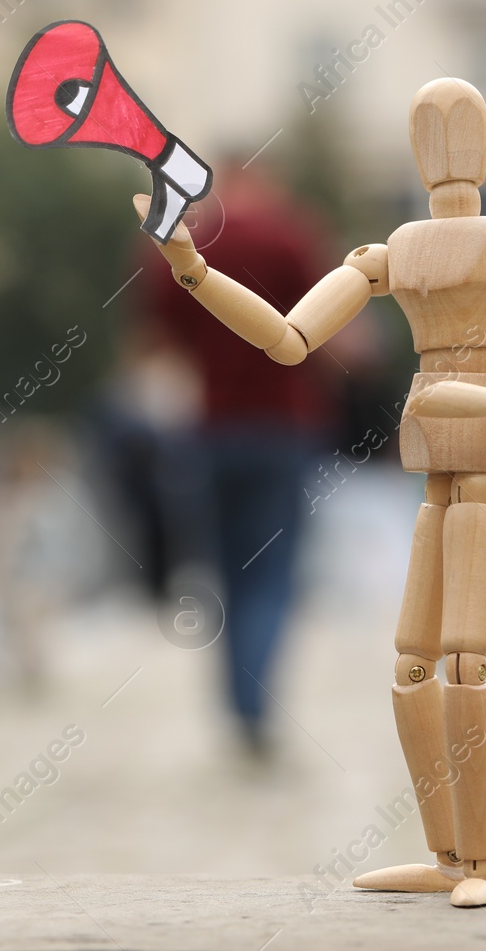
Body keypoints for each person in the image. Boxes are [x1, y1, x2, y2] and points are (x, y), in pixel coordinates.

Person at [141, 163, 338, 755]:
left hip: (211, 430)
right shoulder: (291, 232)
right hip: (283, 429)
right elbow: (326, 324)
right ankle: (255, 706)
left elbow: (157, 334)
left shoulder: (183, 242)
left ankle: (238, 707)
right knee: (272, 574)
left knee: (225, 577)